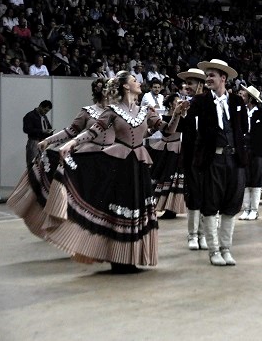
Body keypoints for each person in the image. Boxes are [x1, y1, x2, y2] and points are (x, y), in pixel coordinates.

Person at [54, 71, 187, 274]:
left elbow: (167, 130)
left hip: (139, 165)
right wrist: (71, 143)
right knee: (120, 209)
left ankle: (132, 256)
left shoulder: (146, 111)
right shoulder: (112, 111)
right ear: (125, 86)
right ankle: (118, 257)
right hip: (120, 165)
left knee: (138, 209)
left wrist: (176, 114)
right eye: (134, 80)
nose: (138, 83)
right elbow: (92, 132)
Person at [8, 81, 110, 239]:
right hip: (88, 157)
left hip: (113, 157)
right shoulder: (88, 111)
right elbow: (71, 131)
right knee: (85, 195)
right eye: (105, 87)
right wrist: (48, 140)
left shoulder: (118, 112)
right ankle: (79, 229)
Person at [191, 59, 247, 266]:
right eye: (207, 76)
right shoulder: (200, 101)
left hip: (234, 159)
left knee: (231, 204)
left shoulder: (237, 102)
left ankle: (226, 248)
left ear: (223, 78)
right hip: (212, 159)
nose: (208, 79)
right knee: (211, 203)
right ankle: (214, 250)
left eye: (212, 75)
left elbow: (244, 130)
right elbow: (190, 125)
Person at [176, 68, 208, 250]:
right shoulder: (184, 105)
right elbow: (178, 129)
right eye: (185, 83)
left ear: (200, 85)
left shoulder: (209, 104)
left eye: (190, 83)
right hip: (190, 158)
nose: (186, 86)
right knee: (194, 195)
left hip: (207, 158)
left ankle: (203, 234)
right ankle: (192, 235)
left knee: (205, 195)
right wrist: (179, 113)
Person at [146, 93, 187, 220]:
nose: (179, 104)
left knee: (170, 177)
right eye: (176, 102)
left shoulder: (182, 117)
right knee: (159, 176)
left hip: (175, 149)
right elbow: (167, 132)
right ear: (170, 104)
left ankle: (171, 208)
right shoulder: (164, 117)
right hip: (164, 148)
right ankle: (157, 206)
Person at [238, 85, 262, 220]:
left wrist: (261, 141)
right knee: (245, 180)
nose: (242, 97)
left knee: (256, 180)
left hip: (258, 152)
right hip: (244, 150)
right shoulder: (241, 112)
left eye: (244, 96)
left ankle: (254, 209)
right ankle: (246, 209)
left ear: (251, 99)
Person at [23, 100, 53, 167]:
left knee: (44, 165)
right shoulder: (30, 116)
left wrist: (50, 132)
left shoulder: (44, 116)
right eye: (45, 110)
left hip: (43, 142)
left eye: (47, 111)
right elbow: (27, 129)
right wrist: (42, 131)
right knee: (33, 164)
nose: (45, 112)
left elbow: (48, 126)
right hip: (34, 141)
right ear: (40, 106)